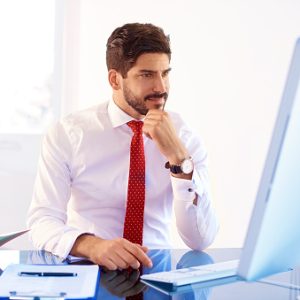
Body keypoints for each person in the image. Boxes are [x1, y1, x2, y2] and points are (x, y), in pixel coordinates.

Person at [27, 22, 218, 271]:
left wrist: (179, 159)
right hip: (89, 269)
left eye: (165, 73)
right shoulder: (68, 134)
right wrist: (93, 245)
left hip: (157, 271)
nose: (161, 87)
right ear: (115, 79)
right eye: (147, 75)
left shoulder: (183, 135)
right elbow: (42, 221)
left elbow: (200, 239)